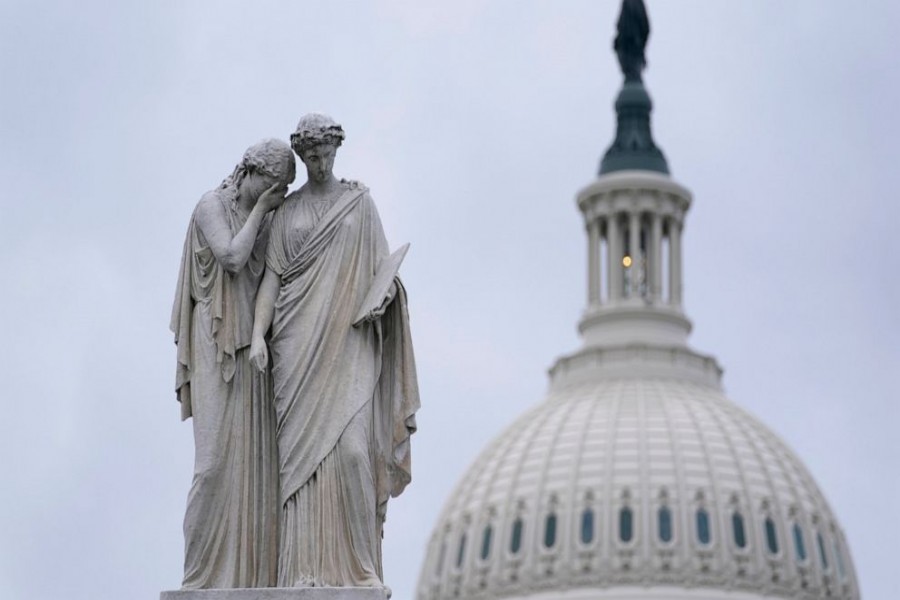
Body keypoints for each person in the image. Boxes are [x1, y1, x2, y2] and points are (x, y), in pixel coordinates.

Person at [250, 114, 419, 590]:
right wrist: (259, 336)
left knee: (351, 453)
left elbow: (382, 269)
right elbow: (272, 281)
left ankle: (362, 569)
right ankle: (302, 570)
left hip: (350, 342)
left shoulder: (359, 205)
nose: (320, 162)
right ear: (302, 158)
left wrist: (384, 297)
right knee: (299, 467)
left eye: (326, 154)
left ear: (336, 152)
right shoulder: (287, 215)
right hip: (296, 347)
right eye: (312, 156)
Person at [170, 138, 296, 589]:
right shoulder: (211, 205)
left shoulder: (271, 218)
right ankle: (199, 577)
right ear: (249, 172)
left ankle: (251, 576)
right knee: (212, 466)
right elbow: (231, 257)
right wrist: (263, 209)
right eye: (273, 184)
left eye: (283, 189)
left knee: (257, 471)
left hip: (253, 351)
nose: (277, 194)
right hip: (215, 345)